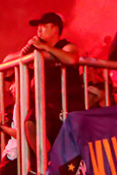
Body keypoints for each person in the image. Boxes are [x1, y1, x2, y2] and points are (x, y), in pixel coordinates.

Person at [20, 12, 83, 145]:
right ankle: (45, 160)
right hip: (46, 105)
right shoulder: (38, 51)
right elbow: (7, 60)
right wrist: (24, 54)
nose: (39, 30)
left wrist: (45, 47)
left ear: (55, 29)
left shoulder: (66, 46)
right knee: (30, 122)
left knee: (67, 145)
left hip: (67, 104)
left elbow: (71, 58)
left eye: (43, 26)